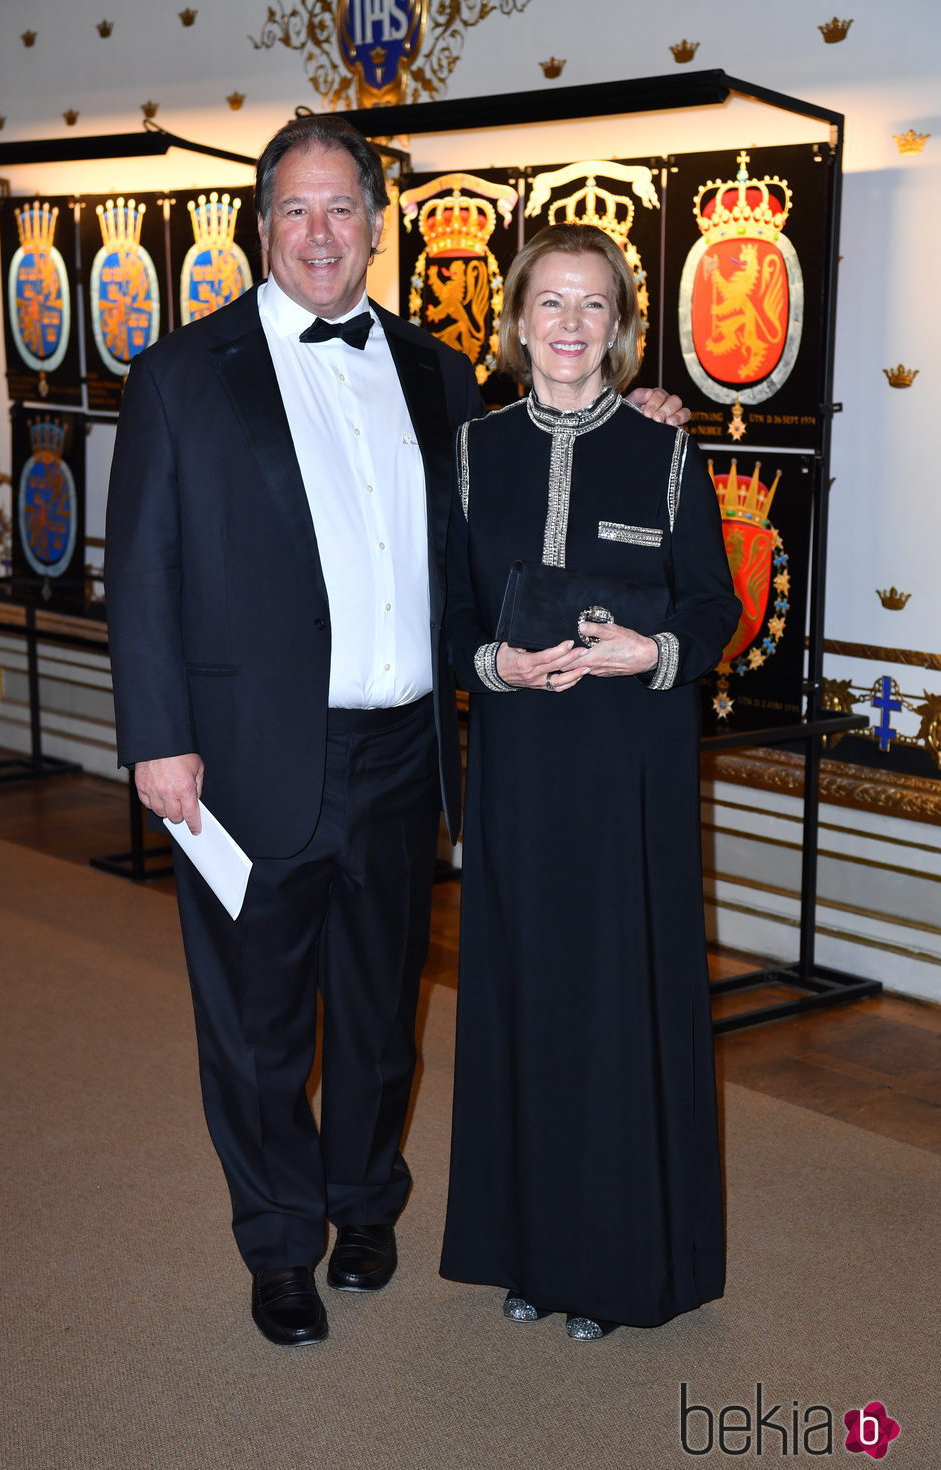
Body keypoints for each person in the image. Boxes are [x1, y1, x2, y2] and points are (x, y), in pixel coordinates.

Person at [104, 117, 688, 1348]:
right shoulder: (178, 374)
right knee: (257, 1029)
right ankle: (278, 1247)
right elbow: (141, 570)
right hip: (241, 756)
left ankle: (365, 1203)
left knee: (378, 1016)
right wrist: (156, 737)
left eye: (342, 209)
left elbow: (524, 499)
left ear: (378, 223)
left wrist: (636, 418)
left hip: (404, 751)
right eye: (296, 211)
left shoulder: (438, 375)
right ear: (263, 227)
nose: (320, 234)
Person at [439, 222, 740, 1342]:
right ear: (515, 321)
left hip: (629, 777)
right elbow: (450, 615)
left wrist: (645, 654)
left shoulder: (665, 452)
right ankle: (523, 1249)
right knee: (523, 1000)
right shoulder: (473, 453)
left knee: (616, 1008)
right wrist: (493, 666)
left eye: (592, 307)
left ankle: (612, 1269)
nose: (569, 326)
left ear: (619, 329)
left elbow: (714, 608)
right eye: (549, 305)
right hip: (519, 766)